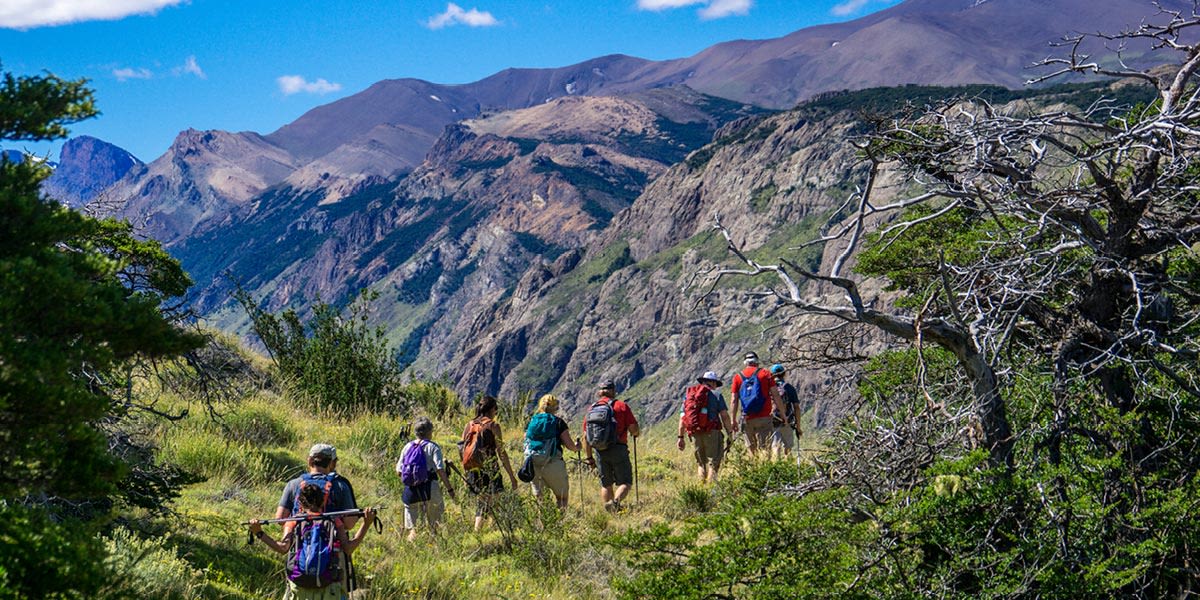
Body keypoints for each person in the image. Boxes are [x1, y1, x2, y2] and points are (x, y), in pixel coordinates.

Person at [250, 481, 376, 600]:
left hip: (299, 586)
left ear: (300, 503)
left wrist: (259, 533)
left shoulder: (294, 521)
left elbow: (283, 548)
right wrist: (366, 523)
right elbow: (348, 548)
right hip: (329, 586)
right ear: (323, 502)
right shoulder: (334, 521)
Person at [461, 395, 518, 531]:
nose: (495, 413)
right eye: (496, 410)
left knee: (488, 503)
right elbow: (501, 453)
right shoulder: (493, 426)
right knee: (487, 504)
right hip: (490, 469)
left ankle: (493, 532)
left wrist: (466, 471)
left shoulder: (469, 425)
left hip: (473, 469)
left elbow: (462, 450)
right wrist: (511, 476)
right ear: (492, 409)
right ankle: (480, 532)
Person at [582, 380, 640, 513]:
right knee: (625, 482)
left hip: (599, 451)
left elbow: (586, 437)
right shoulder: (621, 406)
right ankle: (615, 503)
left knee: (606, 484)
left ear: (599, 392)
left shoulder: (591, 409)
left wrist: (590, 458)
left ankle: (611, 512)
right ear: (613, 391)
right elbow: (633, 429)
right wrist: (636, 433)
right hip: (618, 448)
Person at [397, 416, 456, 541]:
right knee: (435, 525)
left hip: (411, 491)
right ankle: (435, 550)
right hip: (430, 489)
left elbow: (399, 471)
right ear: (429, 432)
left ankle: (411, 553)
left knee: (414, 529)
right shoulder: (433, 447)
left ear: (416, 432)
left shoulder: (407, 447)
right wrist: (450, 489)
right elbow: (440, 469)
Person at [277, 444, 358, 529]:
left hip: (299, 540)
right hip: (330, 541)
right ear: (332, 463)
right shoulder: (341, 486)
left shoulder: (294, 484)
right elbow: (350, 523)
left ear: (309, 461)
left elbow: (280, 518)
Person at [523, 394, 580, 511]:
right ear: (554, 408)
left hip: (533, 464)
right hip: (553, 464)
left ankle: (543, 526)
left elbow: (526, 440)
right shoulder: (558, 422)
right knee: (562, 498)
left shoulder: (532, 421)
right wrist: (577, 447)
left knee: (541, 499)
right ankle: (559, 524)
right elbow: (570, 446)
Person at [677, 371, 734, 484]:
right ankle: (711, 490)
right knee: (714, 462)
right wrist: (730, 434)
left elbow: (683, 417)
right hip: (712, 432)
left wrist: (680, 437)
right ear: (713, 383)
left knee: (701, 463)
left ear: (703, 381)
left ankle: (701, 489)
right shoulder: (717, 395)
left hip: (695, 432)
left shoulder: (689, 396)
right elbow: (725, 416)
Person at [730, 352, 784, 458]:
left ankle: (753, 471)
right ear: (757, 361)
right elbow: (776, 395)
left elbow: (733, 400)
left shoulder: (738, 377)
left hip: (747, 417)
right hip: (764, 417)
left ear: (745, 363)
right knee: (765, 448)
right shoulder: (765, 374)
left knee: (751, 449)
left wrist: (733, 420)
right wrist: (783, 414)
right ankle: (764, 472)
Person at [769, 364, 803, 460]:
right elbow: (796, 407)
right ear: (784, 374)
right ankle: (788, 470)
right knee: (788, 447)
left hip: (773, 420)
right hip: (787, 421)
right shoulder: (789, 388)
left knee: (775, 446)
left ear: (772, 375)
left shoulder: (769, 388)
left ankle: (776, 469)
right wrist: (798, 427)